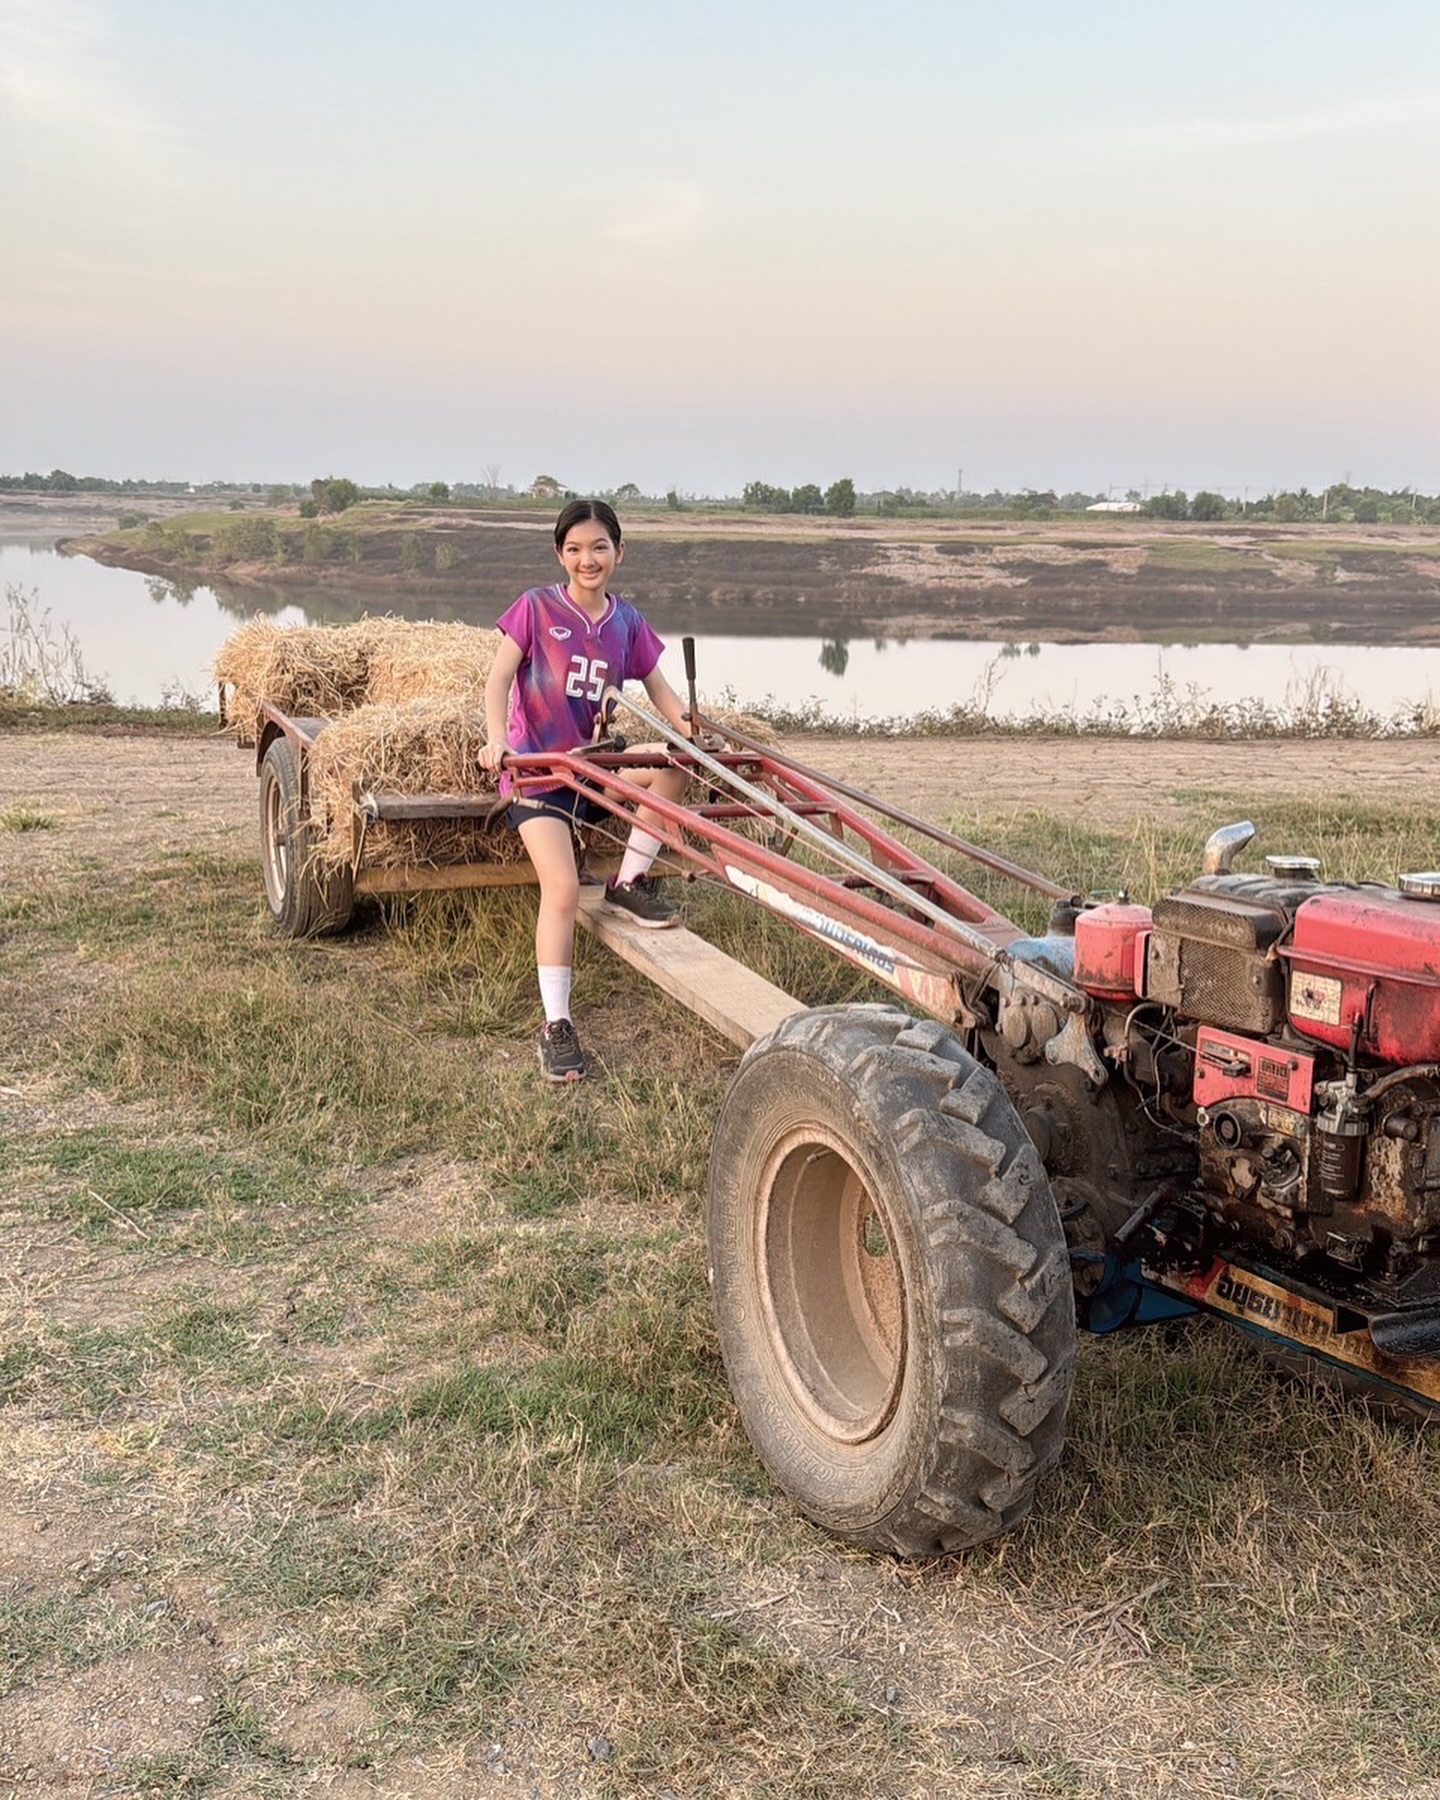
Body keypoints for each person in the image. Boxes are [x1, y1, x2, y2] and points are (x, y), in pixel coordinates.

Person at [479, 499, 692, 1083]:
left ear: (619, 553)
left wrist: (691, 731)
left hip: (596, 771)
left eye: (599, 547)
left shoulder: (626, 622)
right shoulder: (535, 608)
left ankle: (628, 881)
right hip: (538, 774)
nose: (587, 559)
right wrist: (498, 741)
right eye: (574, 549)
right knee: (565, 887)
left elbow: (662, 691)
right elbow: (498, 679)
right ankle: (556, 1025)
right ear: (560, 555)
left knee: (675, 768)